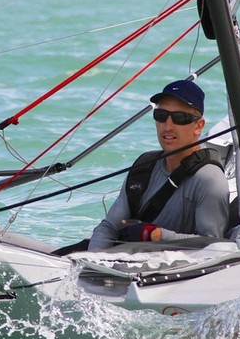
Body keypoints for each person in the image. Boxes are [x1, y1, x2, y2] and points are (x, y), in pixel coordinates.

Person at [86, 79, 229, 250]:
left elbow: (213, 246)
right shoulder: (143, 166)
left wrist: (157, 235)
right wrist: (93, 259)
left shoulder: (209, 179)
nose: (168, 126)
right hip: (126, 264)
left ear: (199, 126)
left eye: (180, 118)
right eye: (161, 116)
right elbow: (109, 227)